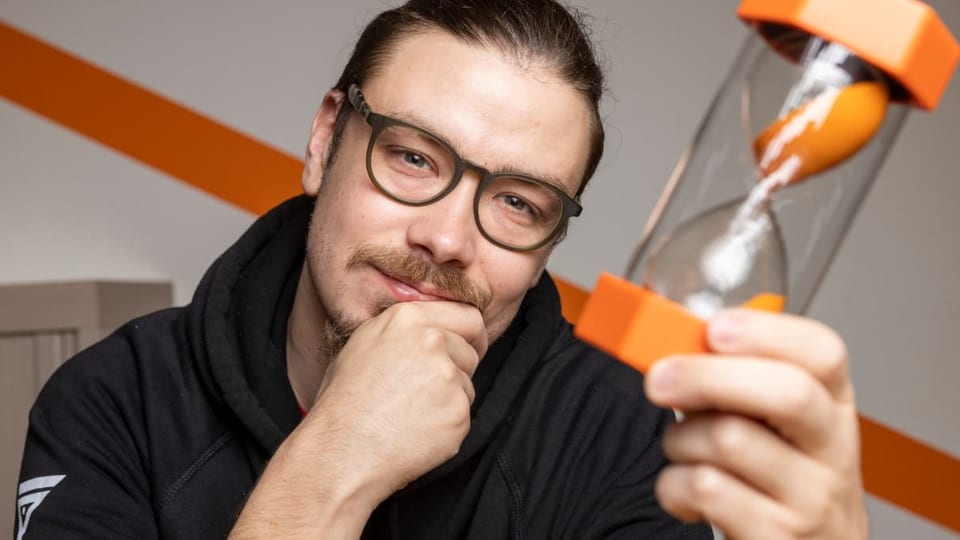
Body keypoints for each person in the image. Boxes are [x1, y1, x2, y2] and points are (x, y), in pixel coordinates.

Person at [15, 1, 868, 538]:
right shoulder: (113, 398)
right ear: (324, 141)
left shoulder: (618, 431)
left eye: (518, 204)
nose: (448, 239)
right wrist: (335, 462)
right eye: (416, 158)